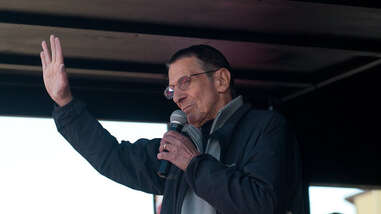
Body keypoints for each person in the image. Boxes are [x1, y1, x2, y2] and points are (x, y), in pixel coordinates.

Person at [40, 34, 307, 214]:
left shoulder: (265, 128)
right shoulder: (180, 147)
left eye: (185, 82)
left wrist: (193, 164)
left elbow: (262, 203)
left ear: (221, 81)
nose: (177, 96)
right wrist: (65, 103)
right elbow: (113, 157)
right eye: (171, 89)